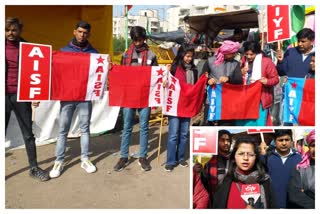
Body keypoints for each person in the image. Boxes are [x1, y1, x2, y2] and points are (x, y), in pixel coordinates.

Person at [49, 21, 98, 178]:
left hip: (85, 96)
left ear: (89, 34)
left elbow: (99, 73)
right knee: (63, 129)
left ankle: (85, 158)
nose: (82, 35)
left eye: (85, 33)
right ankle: (59, 160)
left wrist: (107, 66)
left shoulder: (94, 53)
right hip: (67, 96)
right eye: (80, 31)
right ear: (74, 32)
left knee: (85, 129)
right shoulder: (63, 52)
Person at [5, 17, 49, 181]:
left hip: (20, 95)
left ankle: (34, 168)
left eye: (14, 30)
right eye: (7, 30)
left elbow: (36, 72)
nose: (10, 33)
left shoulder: (29, 49)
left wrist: (35, 94)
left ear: (20, 30)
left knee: (28, 134)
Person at [113, 26, 158, 172]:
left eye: (139, 40)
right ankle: (124, 156)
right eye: (134, 40)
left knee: (144, 127)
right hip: (128, 97)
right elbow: (121, 75)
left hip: (145, 97)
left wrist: (163, 77)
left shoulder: (151, 55)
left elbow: (156, 75)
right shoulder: (126, 55)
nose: (137, 43)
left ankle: (143, 156)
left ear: (144, 38)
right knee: (127, 128)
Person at [212, 136, 275, 209]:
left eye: (250, 154)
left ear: (256, 158)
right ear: (234, 157)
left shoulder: (265, 182)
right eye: (241, 154)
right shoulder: (225, 183)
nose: (245, 158)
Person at [164, 44, 199, 172]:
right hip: (174, 106)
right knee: (173, 134)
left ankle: (181, 158)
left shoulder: (194, 70)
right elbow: (165, 82)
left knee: (184, 134)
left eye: (191, 56)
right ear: (181, 55)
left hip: (187, 106)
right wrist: (165, 79)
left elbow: (195, 87)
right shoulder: (173, 68)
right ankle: (170, 161)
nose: (189, 59)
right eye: (187, 56)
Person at [235, 41, 279, 126]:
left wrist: (267, 81)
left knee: (259, 122)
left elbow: (275, 79)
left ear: (258, 53)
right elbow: (237, 77)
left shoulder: (267, 62)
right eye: (247, 54)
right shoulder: (243, 61)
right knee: (245, 122)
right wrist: (240, 72)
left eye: (251, 54)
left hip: (261, 98)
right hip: (245, 98)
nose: (249, 56)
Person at [202, 40, 243, 125]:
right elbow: (202, 77)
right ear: (225, 52)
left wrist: (229, 78)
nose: (234, 55)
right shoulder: (210, 61)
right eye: (232, 53)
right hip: (212, 100)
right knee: (209, 126)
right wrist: (208, 80)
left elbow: (239, 81)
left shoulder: (235, 64)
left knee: (226, 125)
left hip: (228, 101)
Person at [262, 129, 302, 208]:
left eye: (287, 140)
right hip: (272, 205)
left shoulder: (300, 159)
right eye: (280, 140)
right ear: (275, 141)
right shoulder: (267, 158)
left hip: (294, 205)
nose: (284, 143)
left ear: (291, 140)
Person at [193, 129, 232, 207]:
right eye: (222, 140)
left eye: (228, 140)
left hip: (230, 200)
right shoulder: (209, 160)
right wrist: (198, 173)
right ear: (216, 142)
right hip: (214, 201)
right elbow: (204, 184)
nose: (226, 143)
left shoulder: (236, 159)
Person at [287, 129, 315, 208]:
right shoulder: (300, 168)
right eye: (313, 145)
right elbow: (295, 195)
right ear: (309, 147)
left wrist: (306, 192)